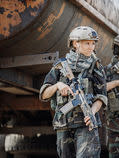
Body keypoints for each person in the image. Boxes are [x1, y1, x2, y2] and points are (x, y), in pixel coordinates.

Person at [39, 26, 107, 158]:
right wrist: (58, 85)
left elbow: (101, 97)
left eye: (93, 43)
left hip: (86, 124)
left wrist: (91, 112)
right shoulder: (60, 66)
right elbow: (44, 94)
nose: (91, 47)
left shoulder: (96, 66)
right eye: (87, 43)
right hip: (63, 124)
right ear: (75, 43)